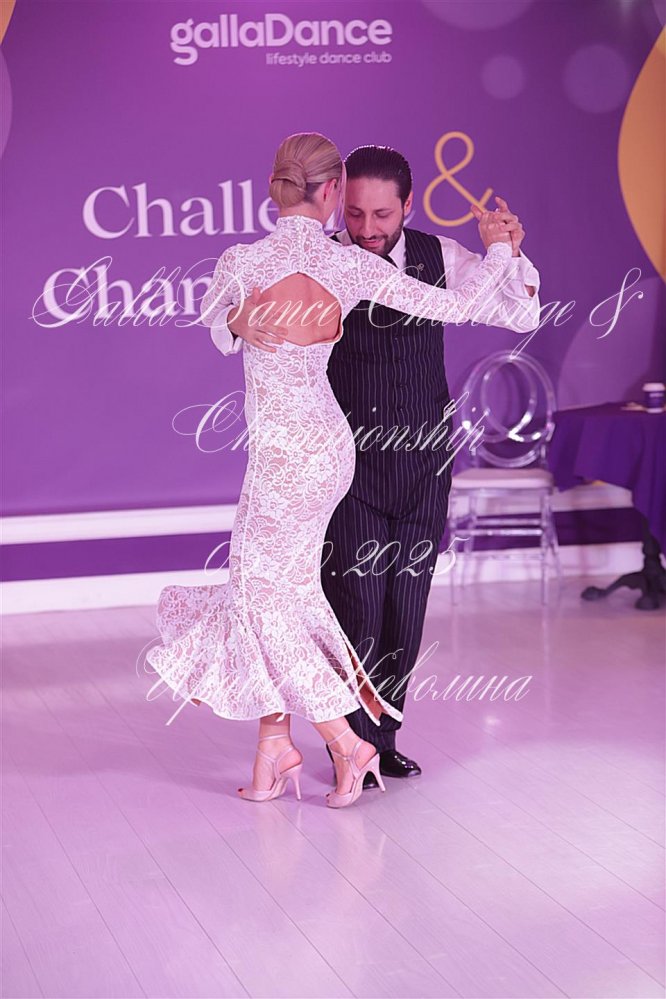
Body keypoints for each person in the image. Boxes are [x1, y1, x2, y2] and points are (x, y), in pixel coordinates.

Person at [144, 132, 516, 809]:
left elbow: (215, 327)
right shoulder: (346, 265)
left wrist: (238, 317)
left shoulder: (241, 261)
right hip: (331, 449)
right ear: (333, 192)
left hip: (284, 455)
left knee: (259, 595)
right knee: (284, 596)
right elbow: (459, 306)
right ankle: (272, 751)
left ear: (274, 186)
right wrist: (496, 251)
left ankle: (346, 741)